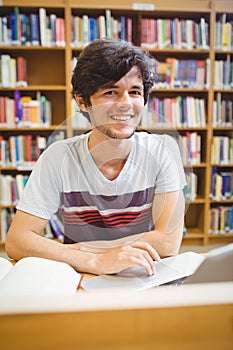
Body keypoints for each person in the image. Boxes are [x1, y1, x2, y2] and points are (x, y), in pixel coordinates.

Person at [5, 39, 186, 276]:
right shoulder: (58, 158)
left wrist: (86, 252)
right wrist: (93, 262)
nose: (125, 104)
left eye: (135, 92)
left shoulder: (162, 151)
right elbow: (17, 240)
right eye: (111, 92)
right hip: (82, 276)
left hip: (144, 275)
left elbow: (168, 242)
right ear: (82, 102)